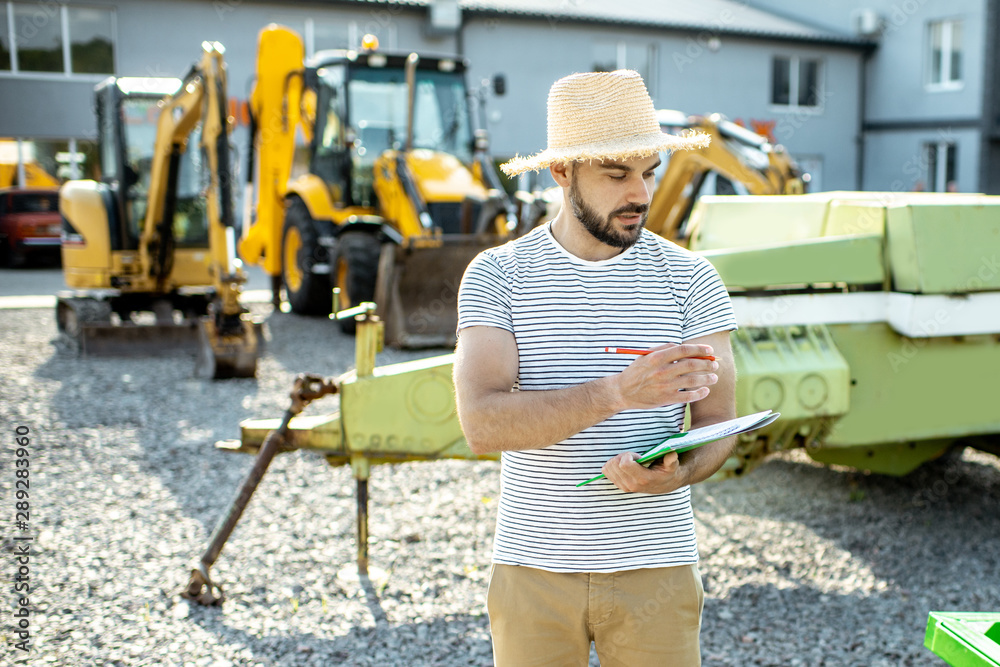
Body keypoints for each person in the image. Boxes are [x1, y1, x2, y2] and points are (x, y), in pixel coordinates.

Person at [453, 69, 739, 666]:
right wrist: (617, 392)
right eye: (616, 174)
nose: (639, 192)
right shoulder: (498, 276)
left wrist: (680, 473)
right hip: (533, 570)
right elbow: (481, 424)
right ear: (562, 172)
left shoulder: (690, 280)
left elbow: (719, 425)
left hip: (657, 569)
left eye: (648, 172)